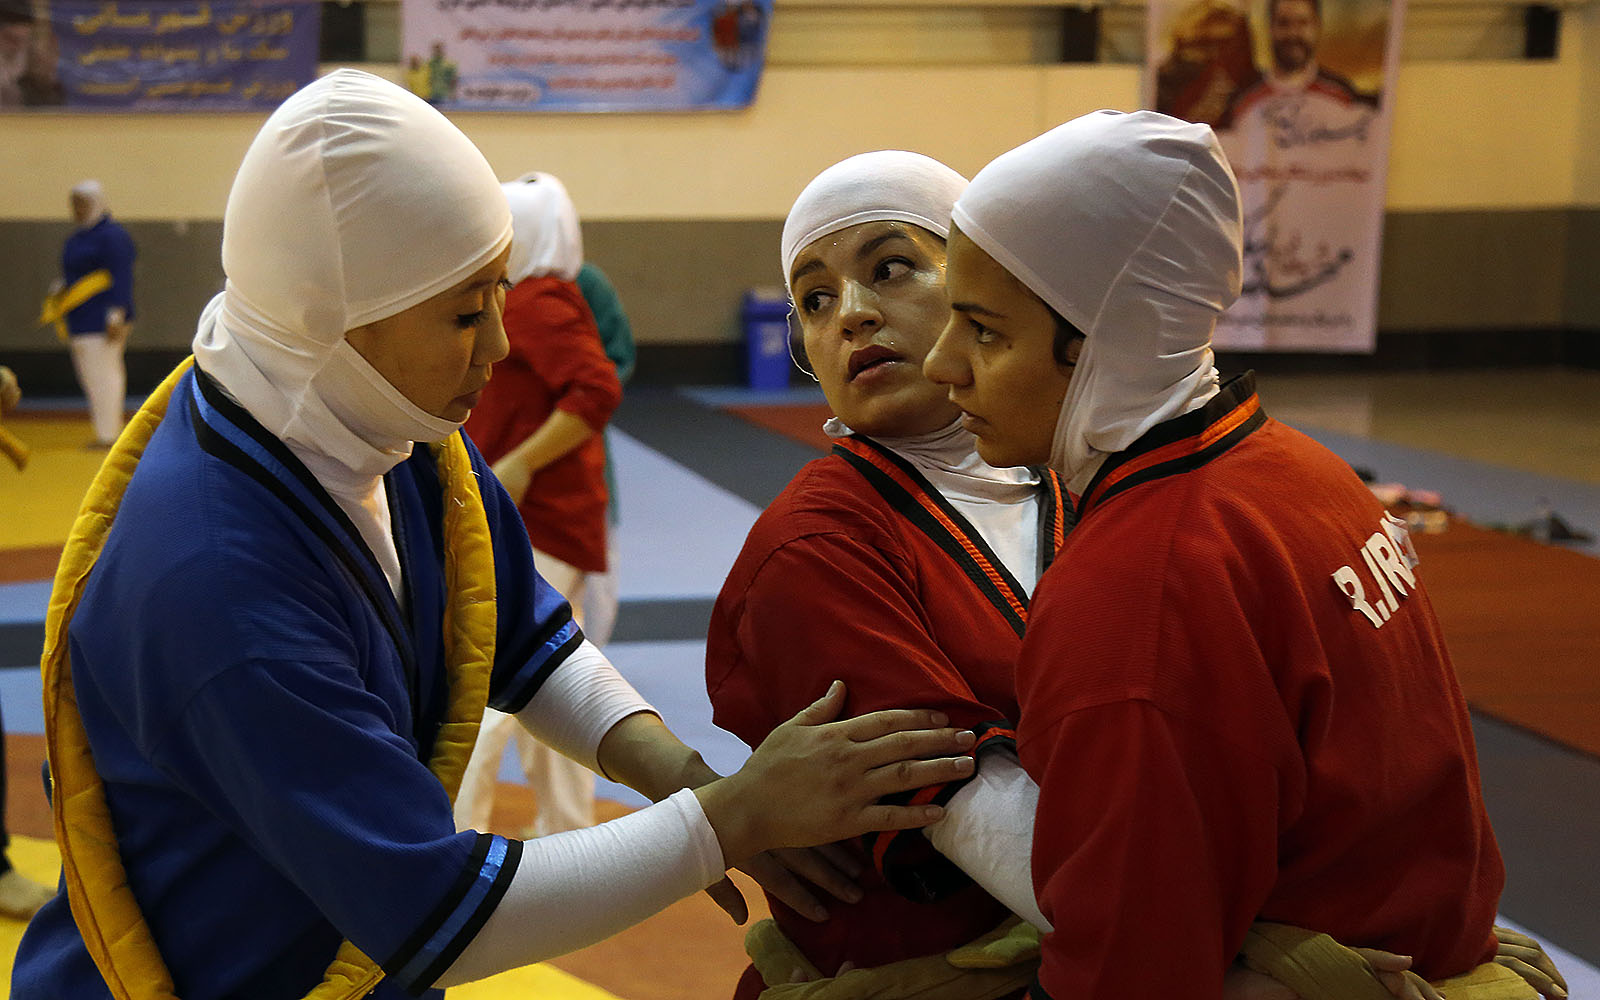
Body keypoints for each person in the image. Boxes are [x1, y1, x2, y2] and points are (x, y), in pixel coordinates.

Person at [12, 69, 977, 1000]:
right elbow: (436, 917)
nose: (503, 344)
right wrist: (725, 821)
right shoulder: (219, 584)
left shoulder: (372, 416)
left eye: (500, 292)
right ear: (334, 324)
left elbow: (521, 637)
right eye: (466, 313)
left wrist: (684, 779)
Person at [921, 108, 1535, 999]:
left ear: (1106, 343)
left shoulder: (1137, 593)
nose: (942, 364)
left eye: (985, 330)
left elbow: (1126, 973)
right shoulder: (1303, 471)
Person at [706, 150, 1068, 1000]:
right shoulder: (814, 548)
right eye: (815, 299)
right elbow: (980, 821)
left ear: (979, 286)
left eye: (891, 268)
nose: (853, 314)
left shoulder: (1071, 480)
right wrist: (1224, 955)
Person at [456, 171, 618, 839]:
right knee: (553, 681)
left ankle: (457, 835)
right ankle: (570, 831)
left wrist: (522, 462)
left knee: (492, 687)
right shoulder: (531, 298)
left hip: (541, 524)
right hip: (545, 521)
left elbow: (597, 388)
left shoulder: (539, 301)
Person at [43, 180, 136, 448]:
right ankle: (103, 431)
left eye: (82, 204)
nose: (77, 209)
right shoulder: (76, 238)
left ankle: (110, 435)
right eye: (73, 204)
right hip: (79, 317)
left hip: (102, 317)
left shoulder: (113, 236)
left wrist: (116, 314)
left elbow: (121, 276)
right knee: (90, 378)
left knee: (105, 375)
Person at [574, 258, 636, 649]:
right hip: (508, 441)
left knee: (596, 570)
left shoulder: (585, 282)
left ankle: (590, 656)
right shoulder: (499, 280)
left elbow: (618, 354)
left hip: (581, 439)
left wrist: (578, 404)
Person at [1221, 0, 1376, 126]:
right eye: (1284, 23)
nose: (1293, 33)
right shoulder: (1241, 103)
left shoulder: (1343, 97)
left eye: (1302, 23)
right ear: (1270, 28)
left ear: (1316, 26)